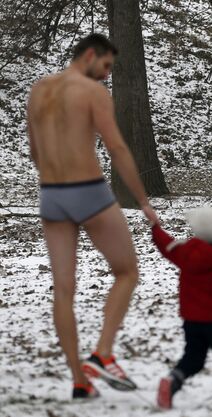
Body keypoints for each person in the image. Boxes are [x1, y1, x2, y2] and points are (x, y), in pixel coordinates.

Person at [26, 33, 159, 399]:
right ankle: (101, 354)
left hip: (51, 195)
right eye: (105, 67)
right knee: (127, 271)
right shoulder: (92, 91)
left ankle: (79, 382)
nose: (105, 75)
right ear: (89, 55)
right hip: (88, 190)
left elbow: (35, 150)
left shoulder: (39, 89)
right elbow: (116, 146)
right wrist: (143, 200)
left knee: (64, 290)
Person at [152, 207, 212, 409]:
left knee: (194, 357)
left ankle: (172, 381)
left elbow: (167, 245)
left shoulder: (186, 251)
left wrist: (156, 227)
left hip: (192, 320)